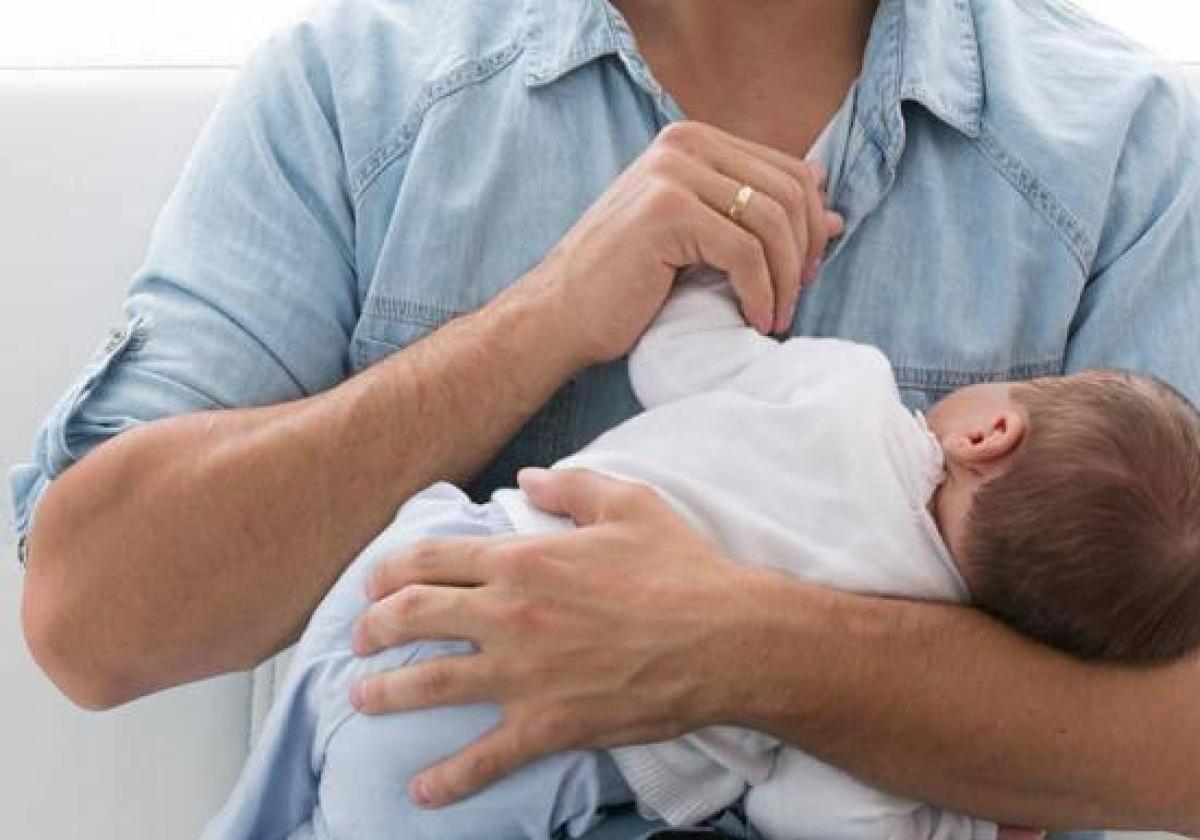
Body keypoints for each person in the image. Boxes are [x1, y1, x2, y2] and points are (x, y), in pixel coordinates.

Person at [11, 0, 1200, 837]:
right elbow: (94, 619)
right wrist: (539, 321)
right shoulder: (351, 93)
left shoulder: (1128, 155)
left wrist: (740, 648)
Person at [199, 267, 1200, 840]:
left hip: (443, 556)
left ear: (990, 432)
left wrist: (704, 275)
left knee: (277, 777)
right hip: (501, 747)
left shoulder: (844, 389)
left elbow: (679, 355)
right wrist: (968, 820)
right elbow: (818, 814)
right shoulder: (908, 657)